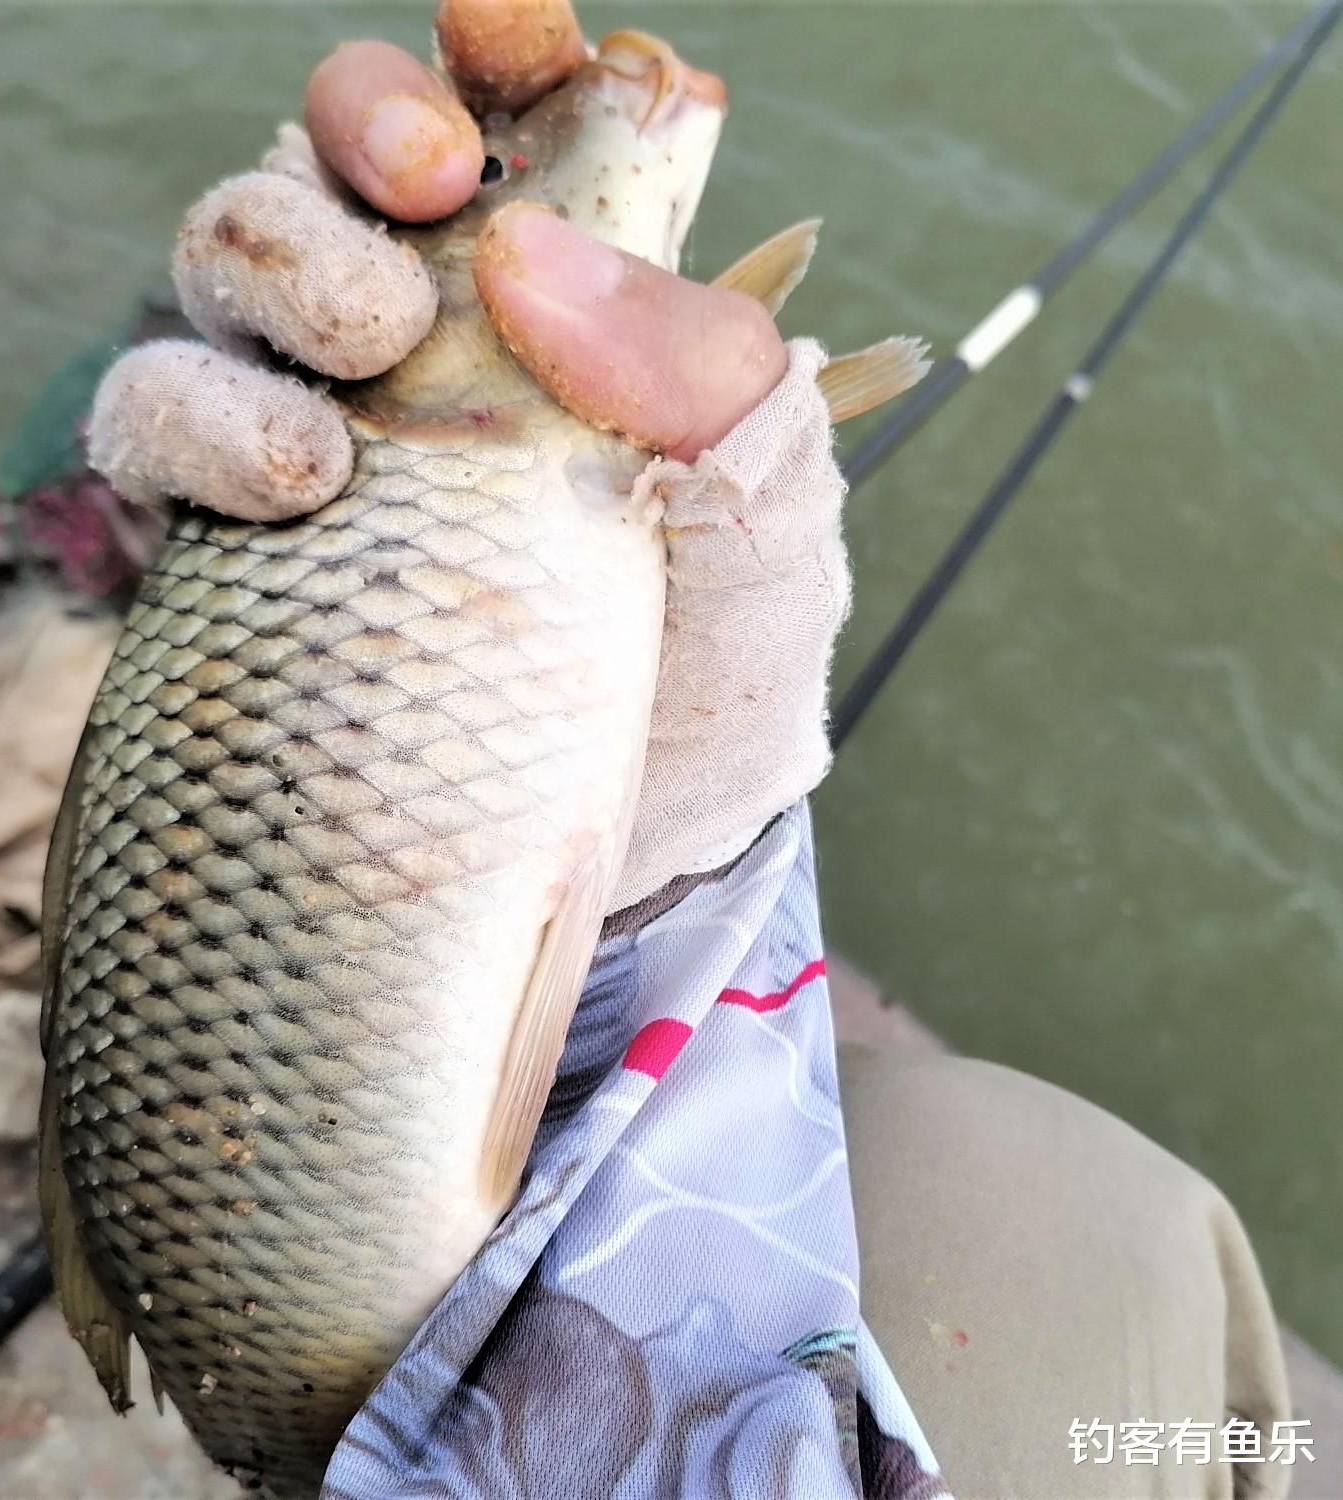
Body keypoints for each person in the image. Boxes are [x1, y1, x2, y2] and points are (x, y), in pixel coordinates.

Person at [80, 3, 1294, 1495]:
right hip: (314, 1305)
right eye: (493, 181)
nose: (528, 159)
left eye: (496, 174)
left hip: (327, 1318)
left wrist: (667, 853)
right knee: (1080, 1210)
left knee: (1039, 1192)